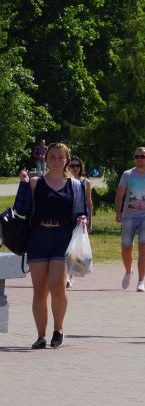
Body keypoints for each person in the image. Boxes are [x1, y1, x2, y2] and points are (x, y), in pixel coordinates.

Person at [19, 143, 88, 348]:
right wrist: (22, 185)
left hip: (62, 237)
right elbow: (21, 209)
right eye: (53, 157)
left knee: (57, 287)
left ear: (67, 160)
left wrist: (82, 219)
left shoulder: (75, 185)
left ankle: (58, 329)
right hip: (38, 236)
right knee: (39, 290)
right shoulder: (35, 182)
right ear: (46, 159)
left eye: (61, 157)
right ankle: (41, 336)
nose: (56, 160)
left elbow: (81, 211)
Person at [115, 147, 145, 292]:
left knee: (143, 246)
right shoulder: (127, 175)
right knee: (126, 247)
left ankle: (141, 281)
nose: (139, 159)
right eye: (137, 156)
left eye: (142, 156)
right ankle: (129, 271)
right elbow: (120, 195)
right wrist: (118, 211)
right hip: (129, 215)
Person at [66, 156, 94, 232]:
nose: (75, 168)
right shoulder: (64, 181)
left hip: (81, 216)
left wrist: (90, 222)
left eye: (77, 166)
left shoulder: (86, 182)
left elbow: (89, 202)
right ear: (68, 167)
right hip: (66, 216)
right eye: (72, 166)